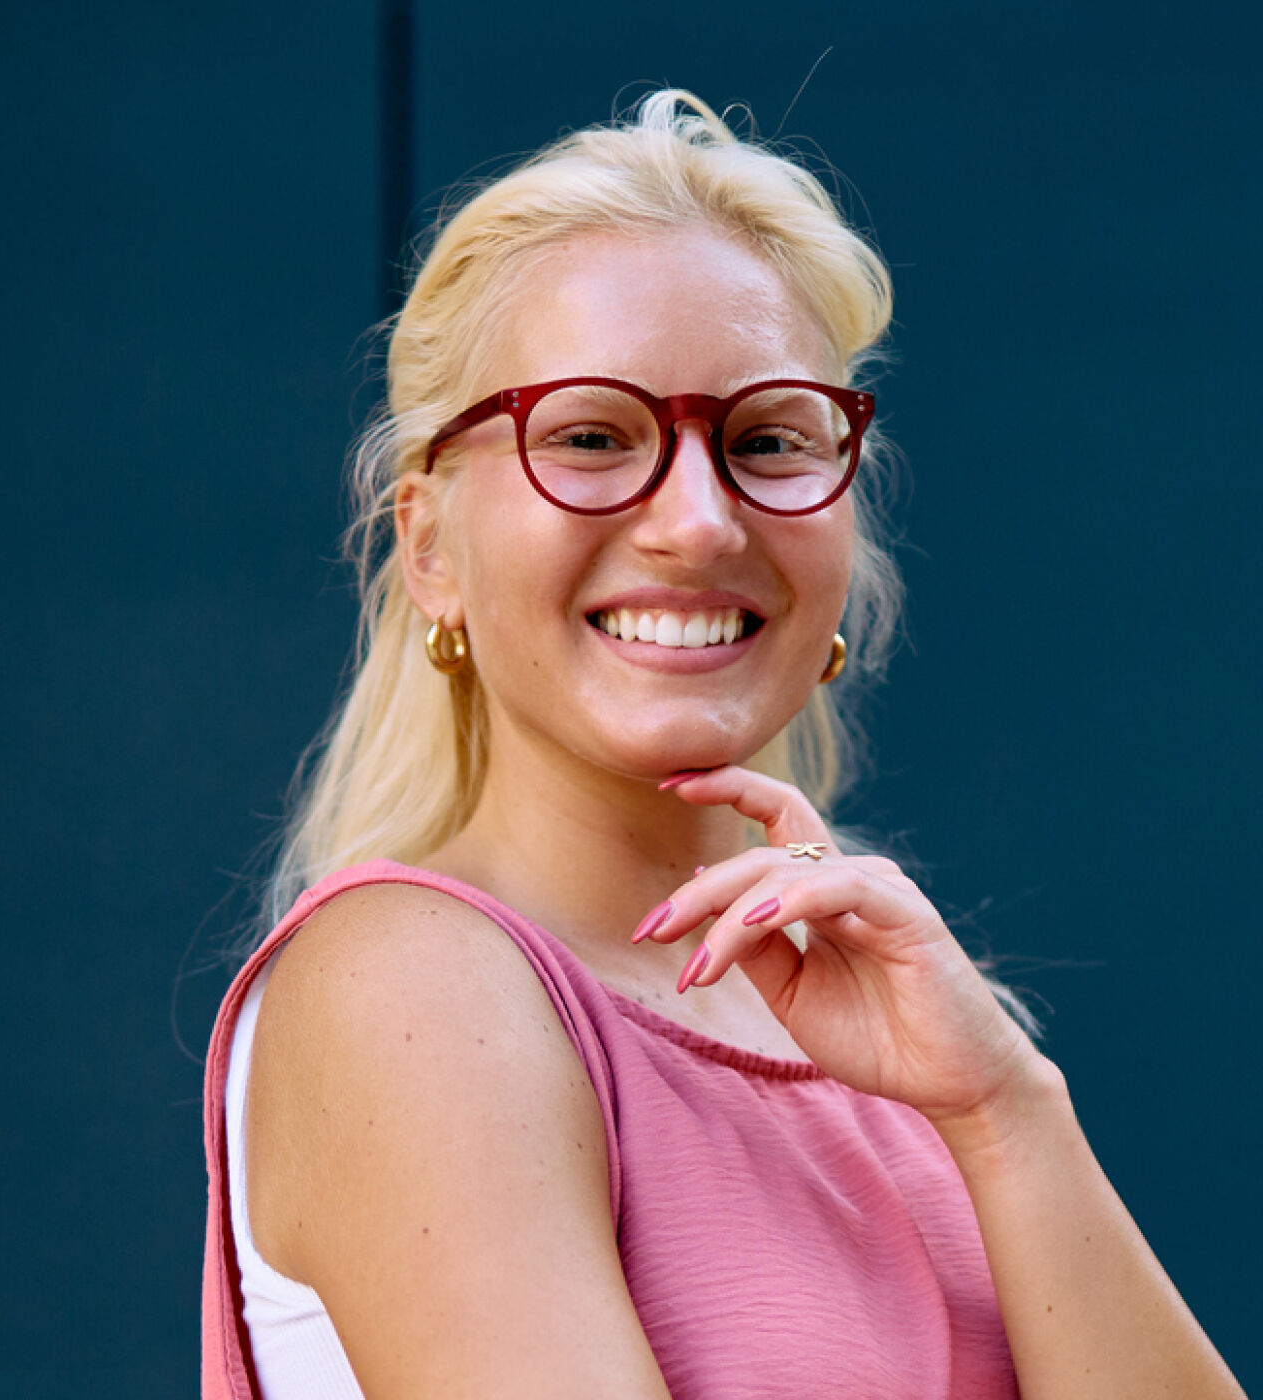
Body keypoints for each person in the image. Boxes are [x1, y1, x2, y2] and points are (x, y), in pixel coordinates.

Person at [196, 90, 1248, 1399]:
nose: (697, 522)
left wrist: (1006, 1108)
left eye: (767, 441)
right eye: (590, 436)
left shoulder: (912, 1037)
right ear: (429, 548)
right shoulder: (411, 986)